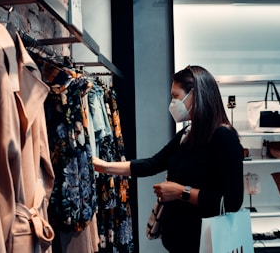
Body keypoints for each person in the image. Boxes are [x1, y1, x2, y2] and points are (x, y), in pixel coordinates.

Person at [93, 65, 244, 253]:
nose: (172, 103)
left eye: (175, 96)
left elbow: (232, 202)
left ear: (195, 95)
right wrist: (104, 166)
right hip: (181, 242)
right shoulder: (189, 133)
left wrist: (181, 192)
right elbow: (152, 164)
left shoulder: (223, 137)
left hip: (207, 244)